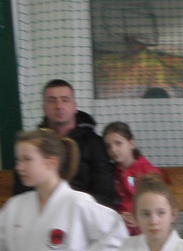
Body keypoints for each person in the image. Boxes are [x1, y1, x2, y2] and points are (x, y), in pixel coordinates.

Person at [15, 80, 117, 208]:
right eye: (52, 100)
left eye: (65, 100)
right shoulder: (32, 146)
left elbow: (105, 193)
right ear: (44, 108)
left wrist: (74, 210)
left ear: (74, 106)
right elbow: (21, 191)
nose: (59, 106)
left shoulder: (95, 144)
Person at [102, 121, 163, 235]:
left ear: (131, 144)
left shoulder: (147, 171)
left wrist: (140, 219)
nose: (113, 149)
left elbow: (157, 203)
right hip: (118, 228)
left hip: (144, 229)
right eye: (109, 146)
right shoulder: (110, 173)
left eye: (118, 143)